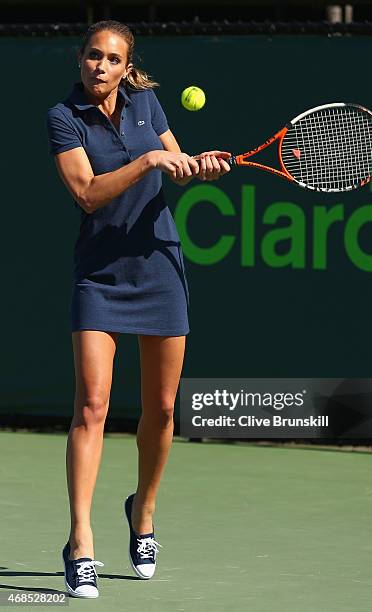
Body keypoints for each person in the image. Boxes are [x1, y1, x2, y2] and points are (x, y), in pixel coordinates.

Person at [46, 19, 230, 599]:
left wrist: (196, 165)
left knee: (165, 409)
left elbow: (173, 161)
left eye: (112, 59)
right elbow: (87, 192)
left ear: (127, 67)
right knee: (92, 407)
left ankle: (142, 513)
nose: (100, 66)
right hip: (99, 277)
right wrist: (150, 161)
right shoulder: (62, 117)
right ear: (81, 60)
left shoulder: (148, 103)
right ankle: (81, 541)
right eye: (92, 56)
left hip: (159, 270)